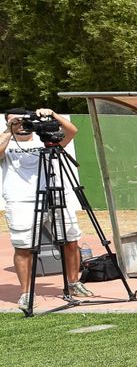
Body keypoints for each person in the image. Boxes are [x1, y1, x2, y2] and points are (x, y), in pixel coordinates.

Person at [2, 107, 89, 310]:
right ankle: (26, 293)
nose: (21, 125)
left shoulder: (45, 138)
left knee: (71, 239)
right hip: (21, 200)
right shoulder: (6, 143)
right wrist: (8, 130)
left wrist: (52, 115)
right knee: (24, 247)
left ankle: (73, 282)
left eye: (24, 121)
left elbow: (72, 131)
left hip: (56, 194)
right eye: (15, 121)